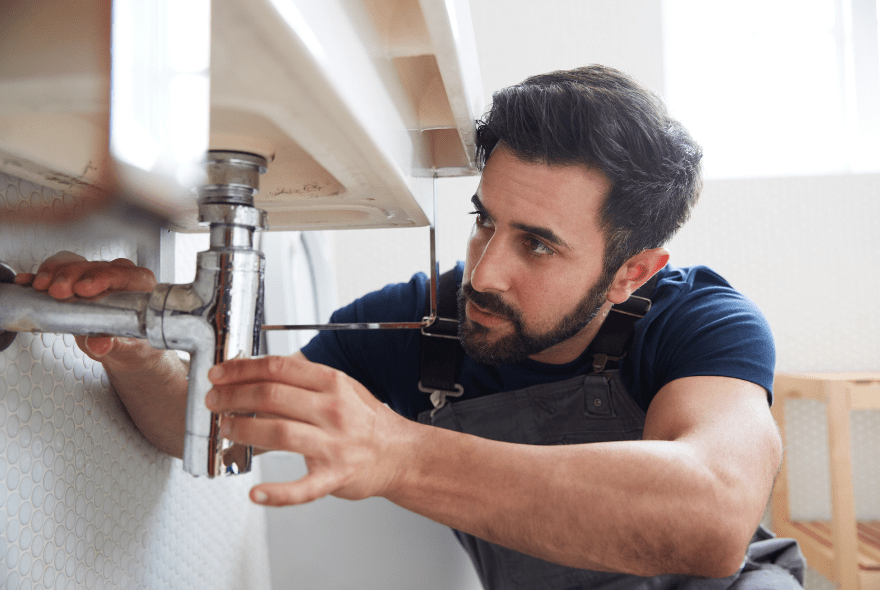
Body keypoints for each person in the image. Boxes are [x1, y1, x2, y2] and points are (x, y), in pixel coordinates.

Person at [17, 65, 805, 588]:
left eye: (537, 244)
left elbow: (711, 517)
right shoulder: (424, 324)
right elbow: (234, 425)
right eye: (484, 222)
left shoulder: (700, 320)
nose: (486, 273)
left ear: (634, 271)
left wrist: (395, 450)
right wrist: (135, 353)